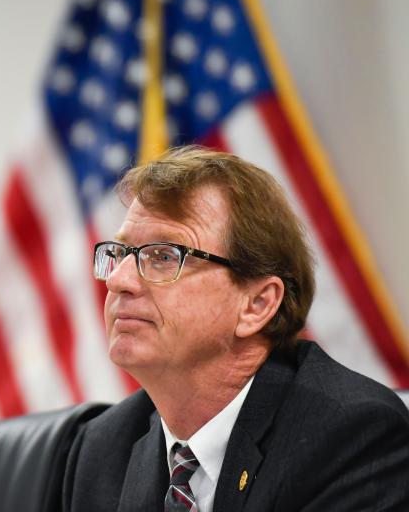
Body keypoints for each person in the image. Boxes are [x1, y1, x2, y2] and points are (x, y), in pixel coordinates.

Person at [63, 146, 409, 511]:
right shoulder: (103, 449)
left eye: (164, 256)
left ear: (256, 305)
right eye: (119, 254)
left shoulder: (350, 436)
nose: (119, 280)